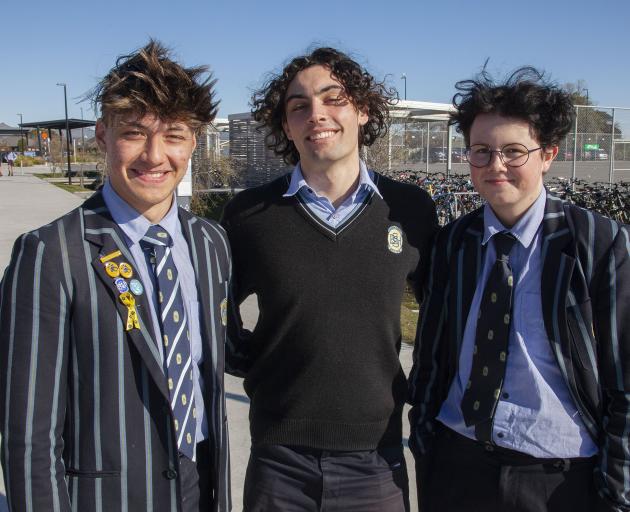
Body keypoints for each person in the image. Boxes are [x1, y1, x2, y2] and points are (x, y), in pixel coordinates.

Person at [0, 40, 231, 512]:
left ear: (193, 140)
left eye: (173, 135)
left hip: (202, 487)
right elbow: (28, 437)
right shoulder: (49, 253)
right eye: (134, 133)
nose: (154, 155)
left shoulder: (211, 244)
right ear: (103, 136)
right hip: (109, 499)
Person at [222, 47, 438, 511]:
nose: (316, 114)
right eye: (298, 105)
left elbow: (441, 316)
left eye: (333, 98)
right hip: (279, 463)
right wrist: (252, 362)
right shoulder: (250, 214)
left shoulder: (411, 209)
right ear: (286, 126)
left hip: (377, 460)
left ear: (362, 110)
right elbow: (212, 307)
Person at [408, 67, 630, 512]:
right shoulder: (454, 242)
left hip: (559, 479)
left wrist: (617, 490)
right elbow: (432, 352)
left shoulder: (598, 243)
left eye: (513, 151)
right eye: (481, 152)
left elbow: (625, 376)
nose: (496, 166)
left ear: (548, 154)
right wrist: (425, 437)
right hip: (458, 464)